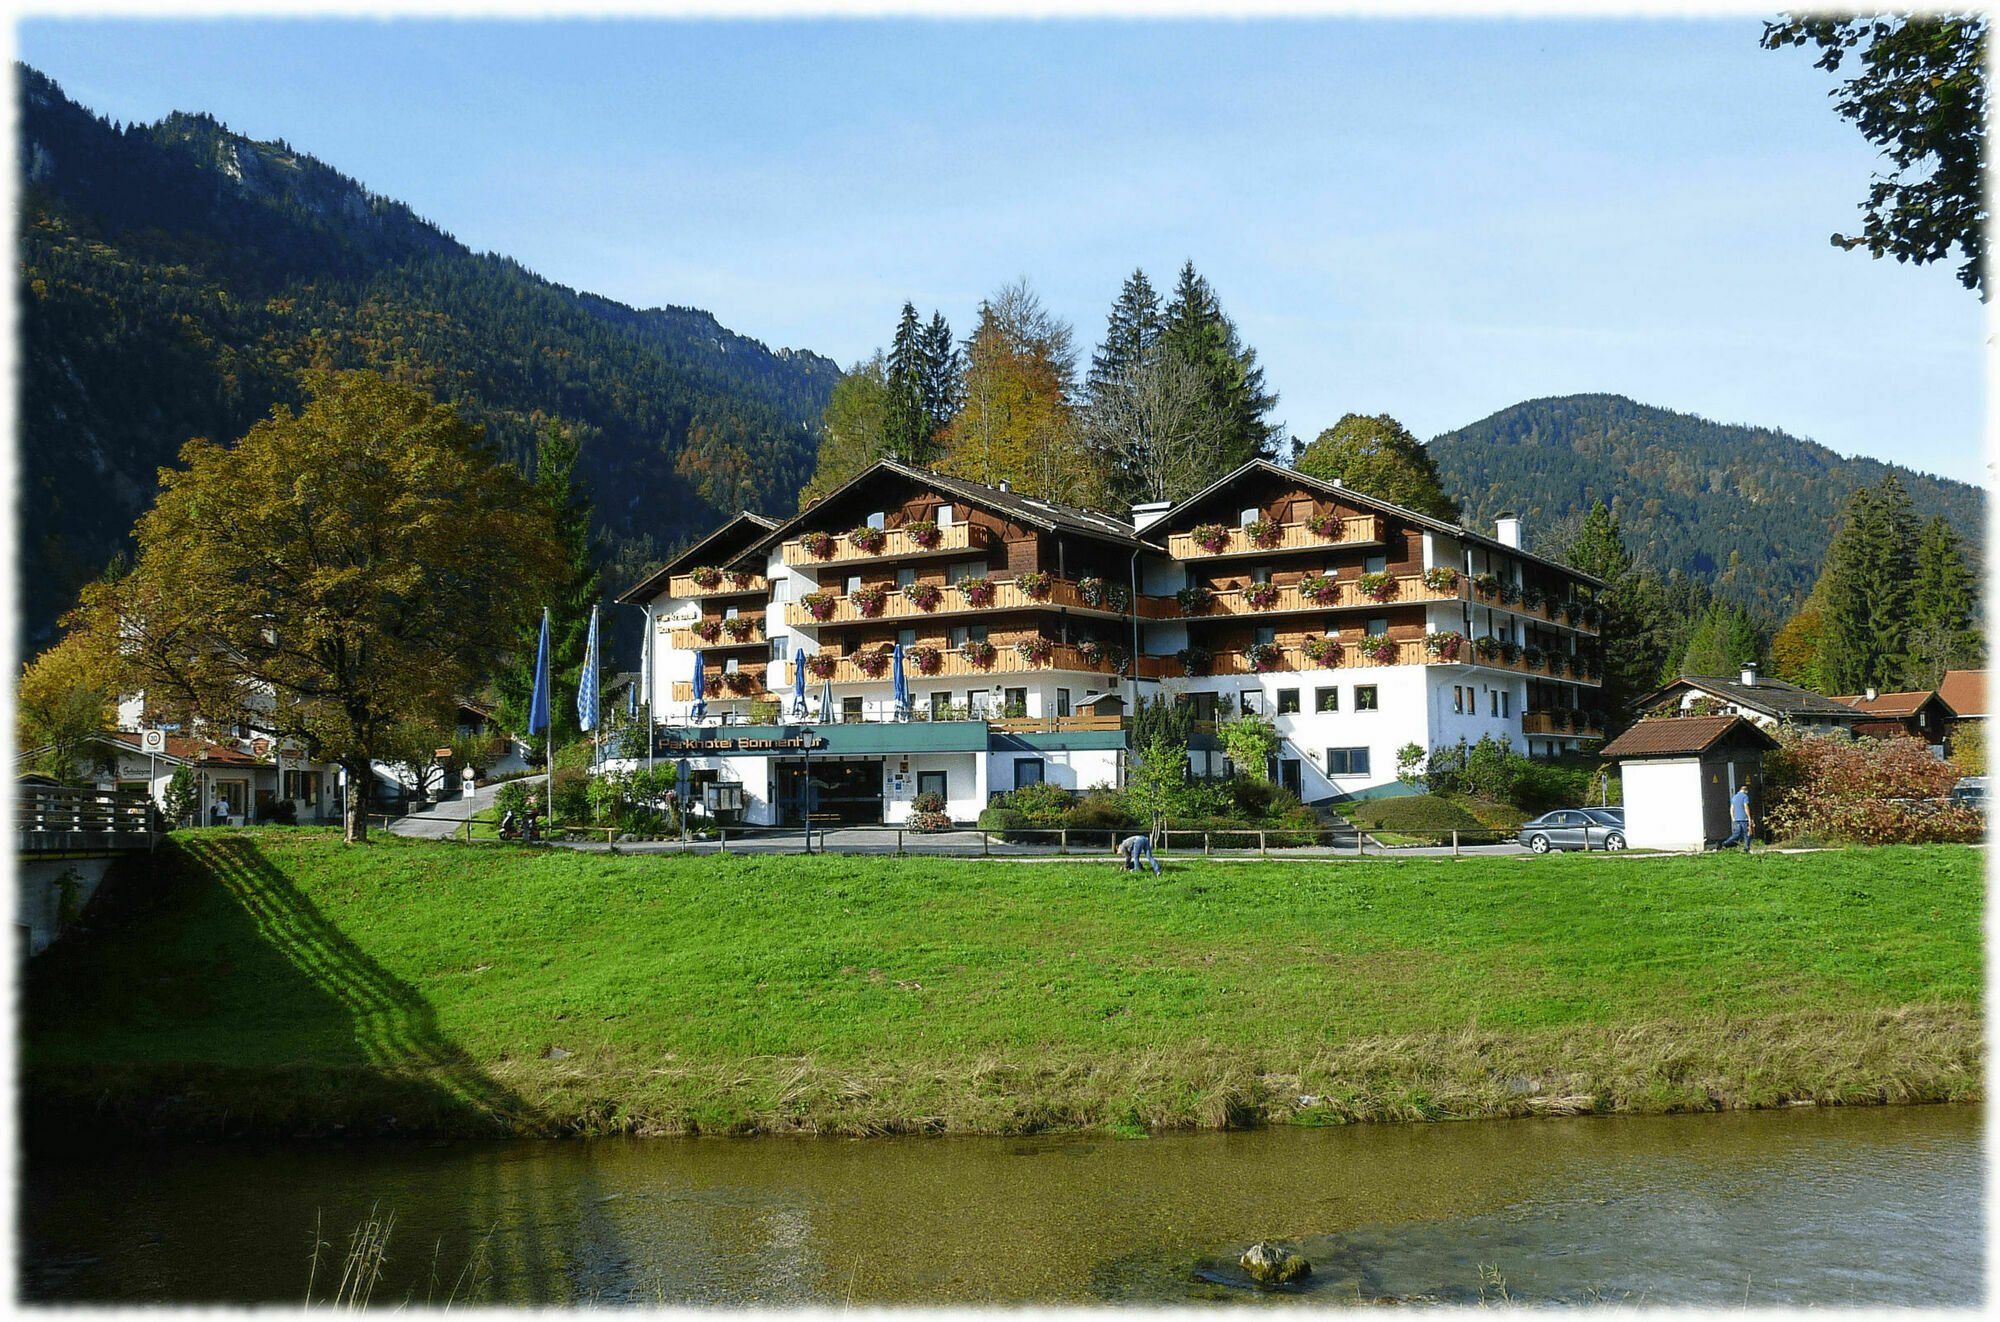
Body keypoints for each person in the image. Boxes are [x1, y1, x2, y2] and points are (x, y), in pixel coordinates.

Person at [1720, 783, 1753, 853]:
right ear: (1745, 791)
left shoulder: (1734, 797)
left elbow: (1731, 808)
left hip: (1736, 819)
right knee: (1747, 834)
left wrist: (1733, 818)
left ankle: (1725, 843)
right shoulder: (1745, 796)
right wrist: (1749, 817)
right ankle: (1746, 849)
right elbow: (1746, 807)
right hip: (1744, 818)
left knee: (1736, 834)